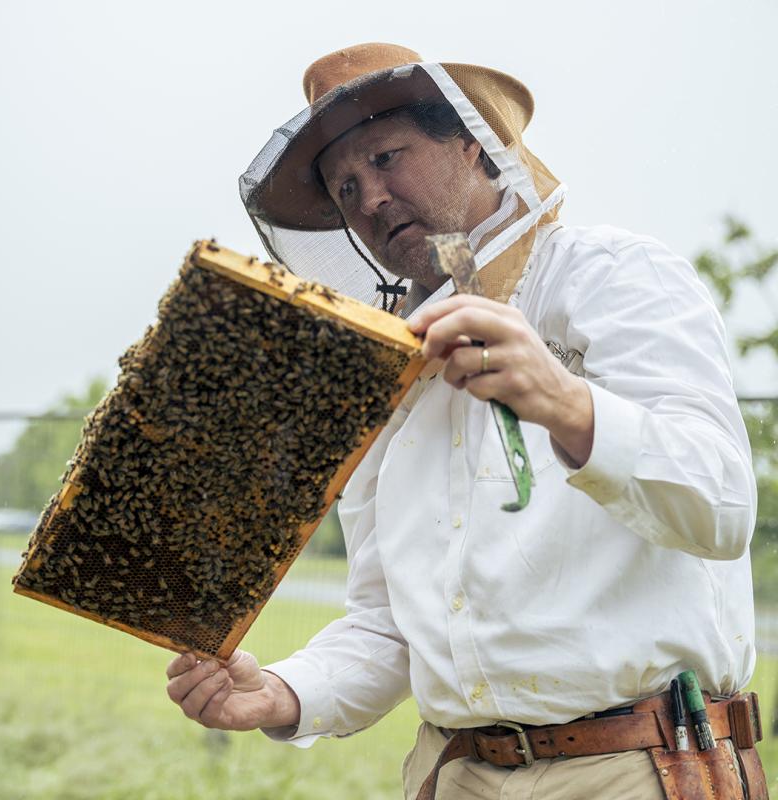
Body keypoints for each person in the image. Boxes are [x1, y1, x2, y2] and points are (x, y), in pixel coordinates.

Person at [165, 44, 765, 799]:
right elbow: (389, 617)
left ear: (474, 145)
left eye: (388, 157)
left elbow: (721, 507)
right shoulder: (392, 372)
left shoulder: (611, 276)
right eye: (345, 186)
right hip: (453, 773)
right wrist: (286, 692)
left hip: (637, 766)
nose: (371, 198)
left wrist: (565, 405)